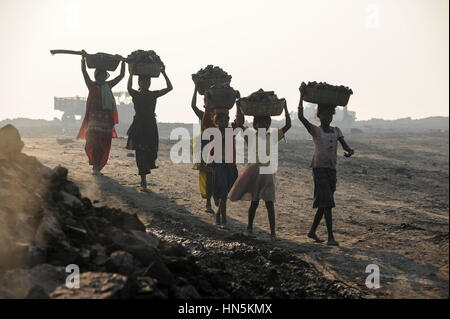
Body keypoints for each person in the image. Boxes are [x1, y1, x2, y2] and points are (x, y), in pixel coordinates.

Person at [297, 87, 354, 246]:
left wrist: (349, 151)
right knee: (328, 203)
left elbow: (345, 145)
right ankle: (330, 237)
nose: (327, 117)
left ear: (332, 116)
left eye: (329, 114)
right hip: (319, 169)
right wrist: (301, 96)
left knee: (324, 203)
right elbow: (301, 117)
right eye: (324, 114)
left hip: (331, 170)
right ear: (319, 115)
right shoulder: (315, 130)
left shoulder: (336, 131)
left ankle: (312, 231)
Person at [229, 101, 291, 240]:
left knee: (269, 204)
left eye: (265, 123)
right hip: (254, 172)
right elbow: (239, 124)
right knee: (254, 203)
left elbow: (288, 125)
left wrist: (286, 108)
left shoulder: (273, 136)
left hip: (268, 174)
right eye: (259, 123)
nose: (263, 125)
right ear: (254, 125)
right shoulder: (250, 135)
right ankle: (249, 227)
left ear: (269, 125)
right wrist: (238, 107)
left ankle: (273, 232)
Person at [77, 53, 125, 175]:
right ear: (96, 75)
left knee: (103, 145)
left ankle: (97, 167)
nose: (101, 77)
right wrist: (83, 59)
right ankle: (95, 166)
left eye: (103, 75)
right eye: (99, 75)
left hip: (106, 123)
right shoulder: (91, 85)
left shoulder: (108, 85)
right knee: (93, 143)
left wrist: (122, 62)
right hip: (94, 122)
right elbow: (84, 72)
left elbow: (122, 75)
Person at [126, 65, 173, 190]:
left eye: (148, 81)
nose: (146, 83)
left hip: (150, 125)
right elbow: (129, 87)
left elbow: (170, 88)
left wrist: (163, 72)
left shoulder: (153, 94)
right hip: (139, 125)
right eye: (143, 81)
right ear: (139, 83)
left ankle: (146, 172)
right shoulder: (135, 94)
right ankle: (143, 180)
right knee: (140, 152)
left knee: (151, 150)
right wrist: (131, 73)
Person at [204, 102, 244, 226]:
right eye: (220, 121)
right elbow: (206, 120)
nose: (223, 123)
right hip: (219, 165)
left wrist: (238, 106)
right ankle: (223, 218)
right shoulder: (213, 132)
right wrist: (207, 104)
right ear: (216, 122)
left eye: (225, 121)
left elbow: (240, 121)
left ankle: (218, 215)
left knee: (225, 193)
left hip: (229, 166)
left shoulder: (230, 131)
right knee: (223, 194)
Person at [191, 84, 215, 213]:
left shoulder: (220, 115)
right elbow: (193, 106)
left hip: (217, 147)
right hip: (204, 147)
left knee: (216, 174)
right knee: (208, 175)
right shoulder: (203, 115)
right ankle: (208, 202)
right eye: (206, 101)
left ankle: (214, 198)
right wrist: (195, 89)